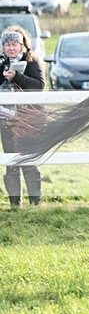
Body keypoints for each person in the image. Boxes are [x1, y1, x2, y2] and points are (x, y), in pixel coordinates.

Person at [1, 27, 45, 206]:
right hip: (5, 119)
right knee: (10, 160)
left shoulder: (32, 61)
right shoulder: (1, 63)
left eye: (14, 44)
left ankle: (35, 201)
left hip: (29, 119)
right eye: (7, 44)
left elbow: (39, 86)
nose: (11, 48)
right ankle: (14, 203)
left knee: (28, 159)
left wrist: (17, 77)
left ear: (21, 45)